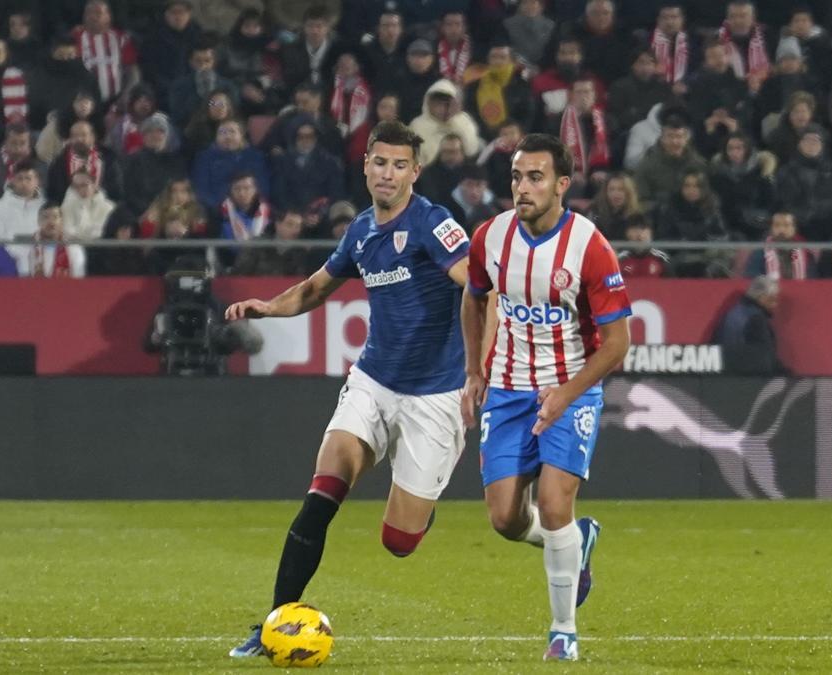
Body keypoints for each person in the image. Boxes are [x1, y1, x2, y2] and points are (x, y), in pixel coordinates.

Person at [223, 120, 472, 659]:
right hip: (374, 383)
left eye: (399, 165)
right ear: (366, 166)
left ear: (415, 172)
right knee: (321, 496)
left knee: (399, 543)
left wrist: (483, 366)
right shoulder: (360, 231)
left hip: (434, 395)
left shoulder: (435, 223)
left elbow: (478, 282)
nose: (388, 173)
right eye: (379, 162)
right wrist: (269, 306)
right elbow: (316, 287)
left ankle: (421, 502)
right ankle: (273, 626)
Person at [460, 133, 631, 662]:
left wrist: (566, 394)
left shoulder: (590, 247)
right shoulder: (490, 237)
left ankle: (564, 632)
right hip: (508, 390)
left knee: (556, 503)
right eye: (516, 176)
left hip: (572, 387)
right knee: (505, 520)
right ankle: (579, 542)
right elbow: (473, 300)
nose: (522, 187)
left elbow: (619, 344)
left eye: (535, 177)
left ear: (561, 185)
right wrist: (473, 372)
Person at [713, 276, 785, 375]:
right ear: (761, 297)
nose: (775, 304)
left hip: (722, 376)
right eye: (772, 299)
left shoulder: (731, 313)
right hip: (747, 378)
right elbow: (765, 357)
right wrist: (787, 375)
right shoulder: (756, 319)